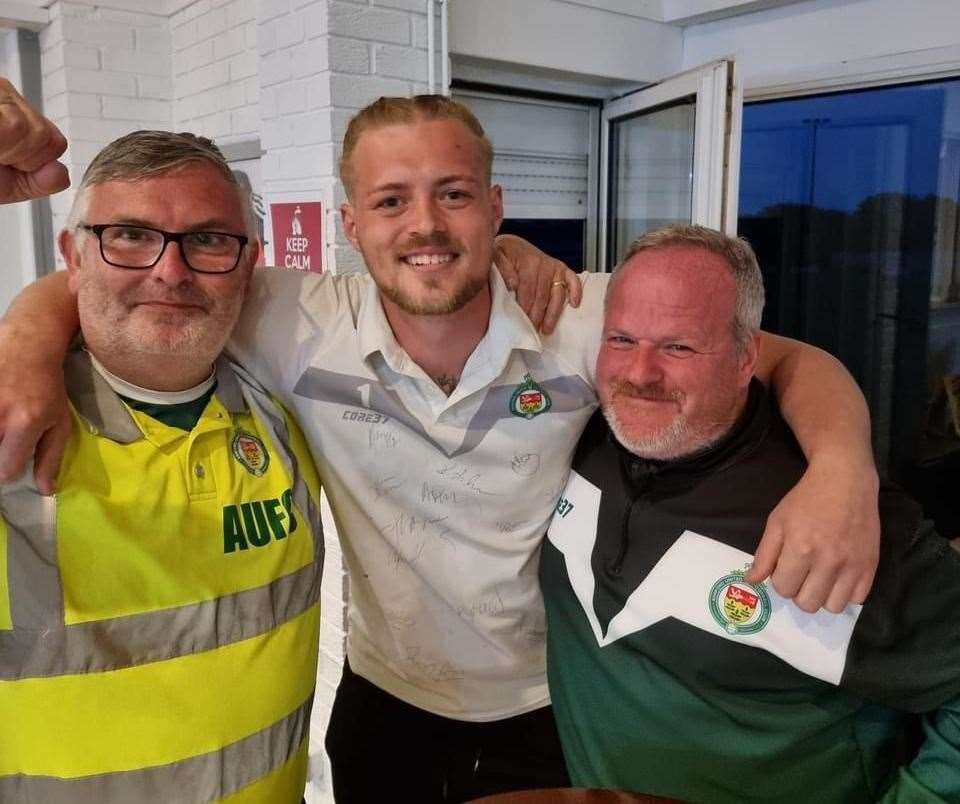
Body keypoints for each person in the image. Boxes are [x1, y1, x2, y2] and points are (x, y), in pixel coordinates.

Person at [0, 96, 882, 802]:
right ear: (351, 222)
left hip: (556, 700)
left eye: (454, 194)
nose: (424, 224)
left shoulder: (583, 316)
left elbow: (787, 358)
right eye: (391, 200)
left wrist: (844, 473)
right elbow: (113, 273)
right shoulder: (297, 320)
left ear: (496, 208)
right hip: (385, 703)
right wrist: (27, 351)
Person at [541, 224, 960, 803]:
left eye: (678, 347)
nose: (639, 374)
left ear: (746, 358)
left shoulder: (835, 521)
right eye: (621, 340)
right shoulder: (582, 433)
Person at [0, 131, 325, 801]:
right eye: (129, 235)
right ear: (72, 254)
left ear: (249, 263)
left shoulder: (290, 407)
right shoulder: (14, 418)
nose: (170, 272)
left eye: (207, 240)